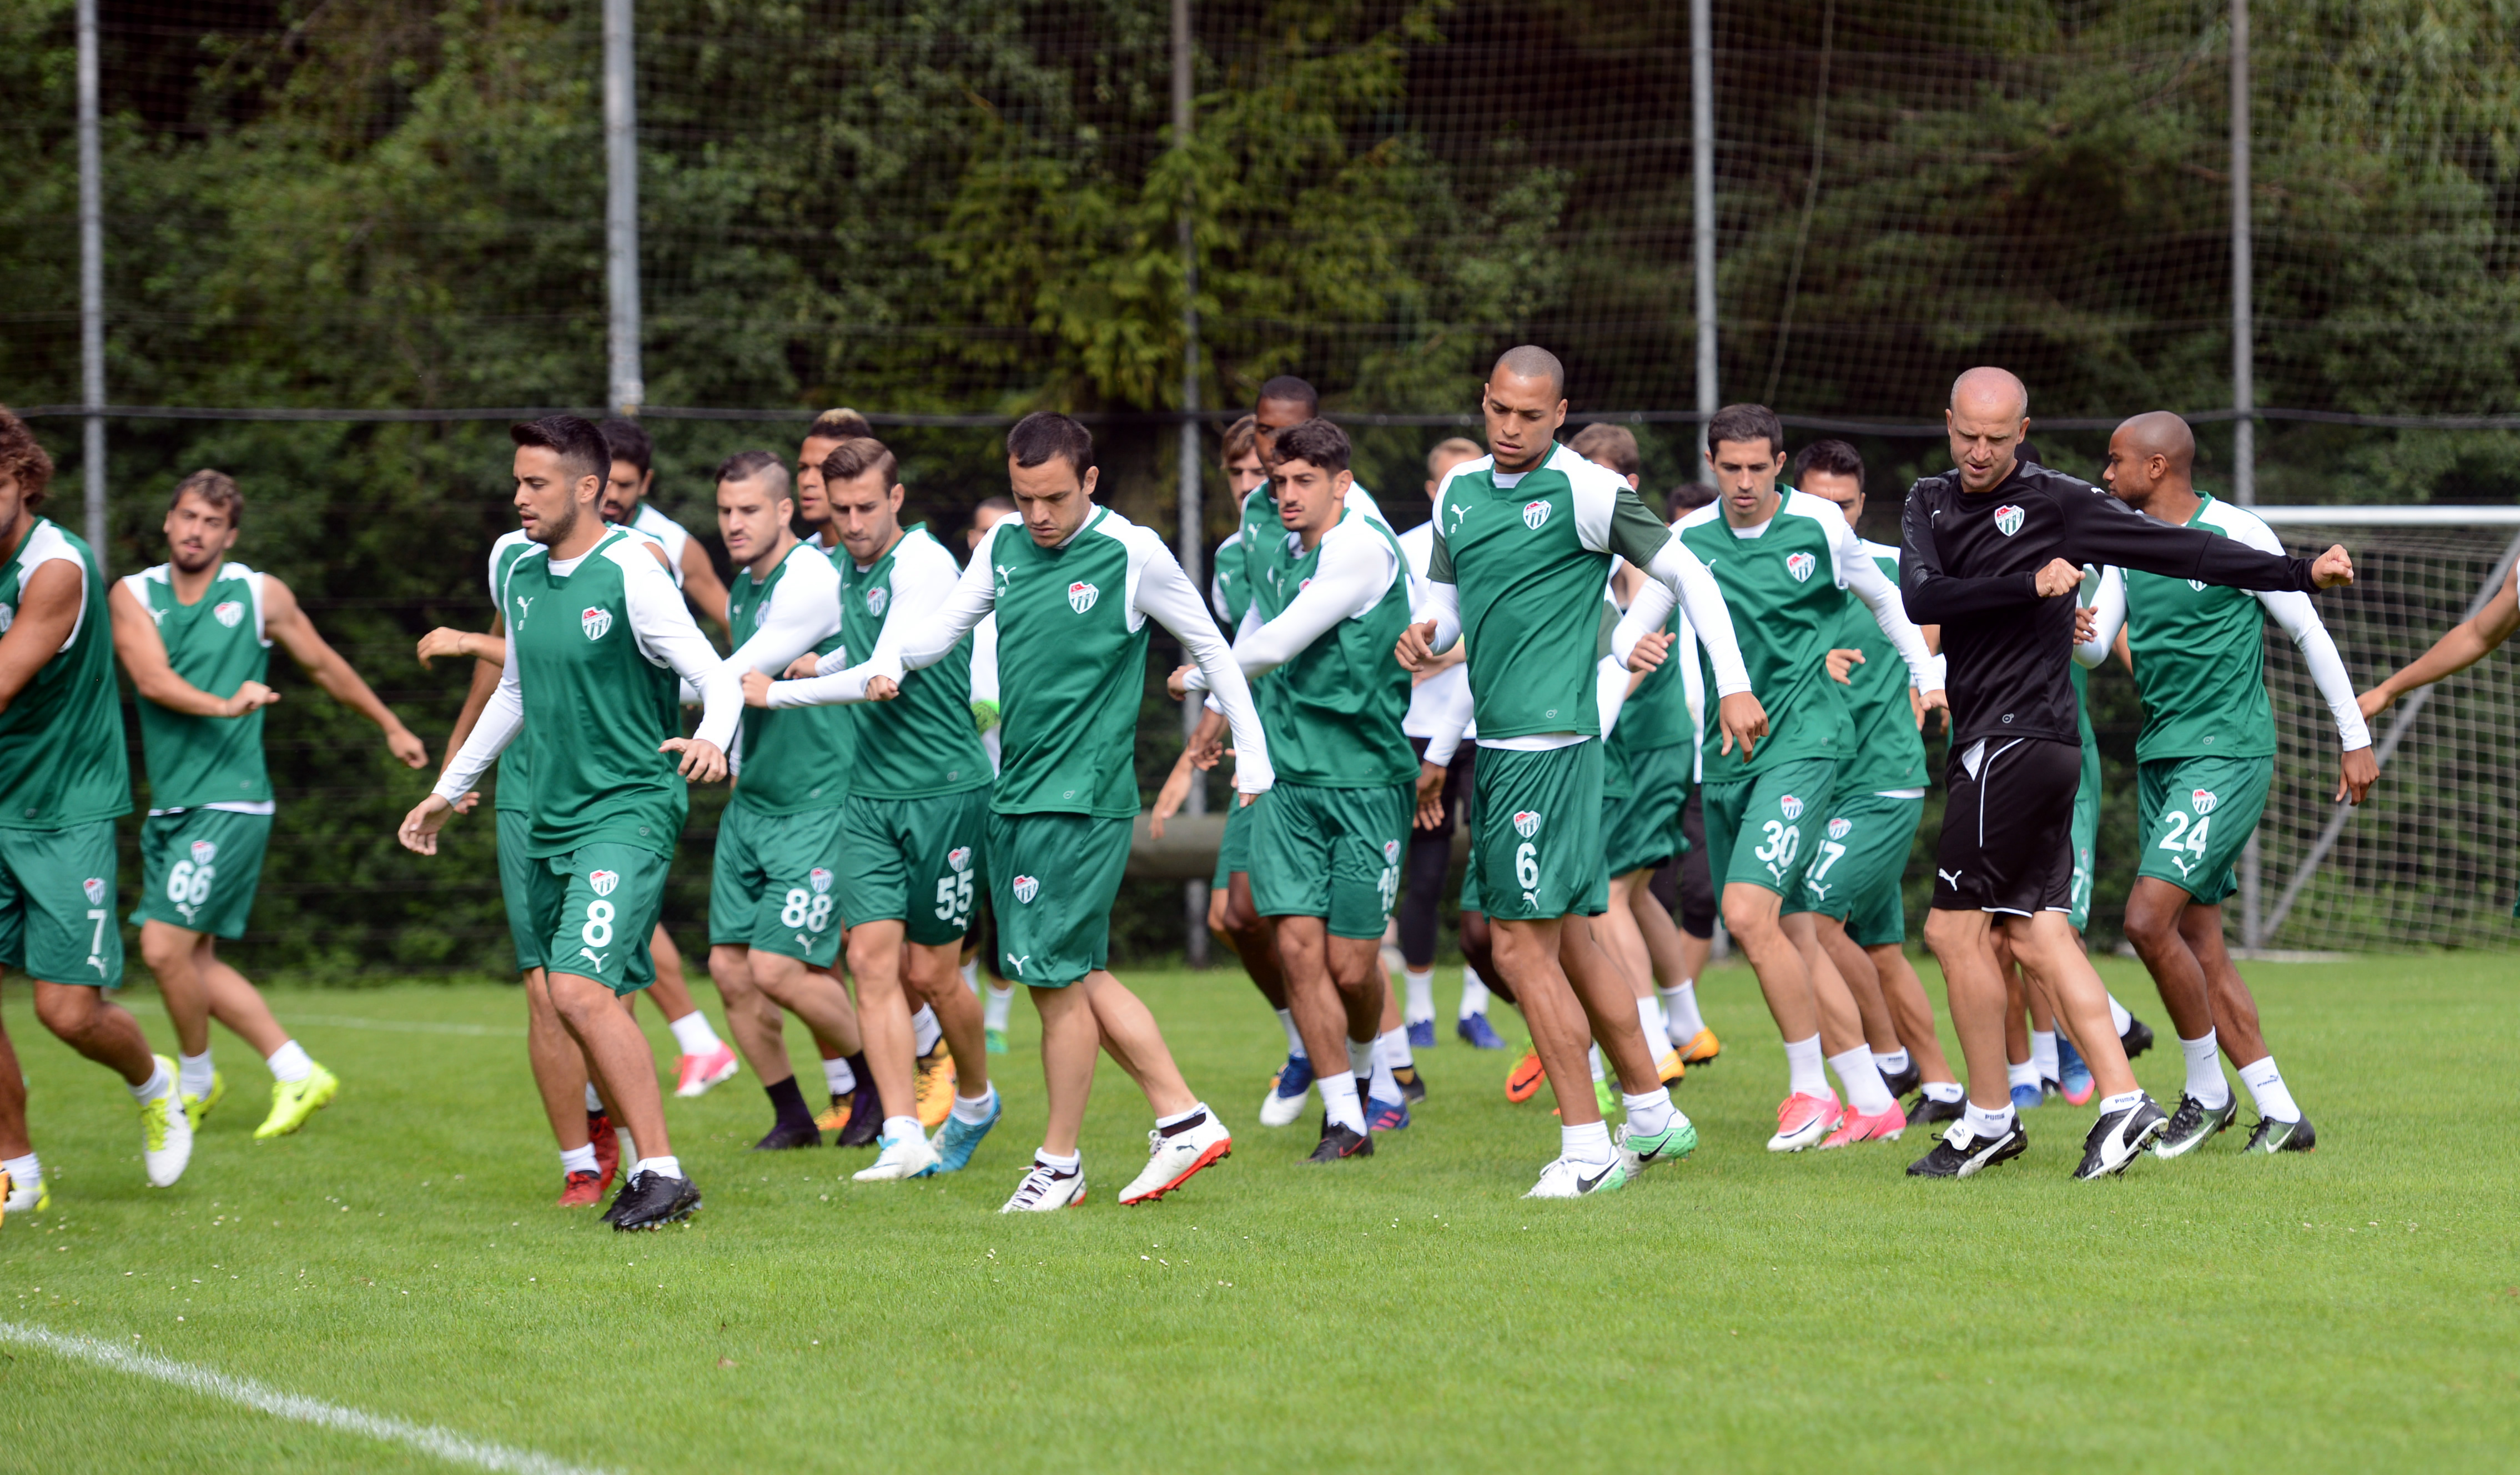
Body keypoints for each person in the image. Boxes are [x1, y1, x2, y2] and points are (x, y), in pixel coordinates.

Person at [1898, 368, 2353, 1180]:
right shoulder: (1927, 501)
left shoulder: (2060, 503)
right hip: (2033, 741)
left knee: (1952, 931)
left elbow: (2187, 550)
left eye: (1996, 438)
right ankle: (2124, 1101)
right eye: (1966, 435)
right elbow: (1920, 597)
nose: (1978, 451)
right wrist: (2033, 590)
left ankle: (1989, 1118)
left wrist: (2296, 571)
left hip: (2019, 740)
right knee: (2038, 930)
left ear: (2023, 431)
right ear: (1947, 423)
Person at [835, 412, 1253, 1212]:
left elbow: (1213, 649)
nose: (1037, 515)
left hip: (1080, 803)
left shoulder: (1130, 550)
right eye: (1024, 498)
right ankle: (1181, 1118)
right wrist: (883, 659)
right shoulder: (1002, 546)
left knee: (1057, 984)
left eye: (1054, 498)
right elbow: (939, 635)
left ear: (1089, 482)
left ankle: (1061, 1163)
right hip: (1018, 795)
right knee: (1074, 975)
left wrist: (1254, 757)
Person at [1400, 347, 1758, 1198]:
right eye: (1498, 410)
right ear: (1483, 402)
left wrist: (1734, 684)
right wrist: (1426, 633)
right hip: (1499, 747)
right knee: (1569, 939)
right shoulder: (1459, 492)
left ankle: (1585, 1149)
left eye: (1530, 415)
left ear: (1559, 414)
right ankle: (1649, 1114)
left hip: (1552, 748)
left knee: (1517, 950)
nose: (1510, 427)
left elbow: (1688, 574)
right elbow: (1445, 606)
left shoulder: (1586, 490)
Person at [401, 415, 741, 1231]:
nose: (519, 497)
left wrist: (712, 739)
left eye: (536, 483)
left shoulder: (632, 571)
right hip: (552, 815)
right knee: (581, 994)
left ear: (587, 489)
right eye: (517, 482)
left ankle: (661, 1171)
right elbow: (516, 690)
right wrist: (450, 789)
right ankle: (642, 1167)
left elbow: (718, 677)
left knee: (578, 990)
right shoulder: (519, 570)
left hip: (628, 808)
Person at [1613, 405, 1943, 1153]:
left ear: (1779, 464)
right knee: (1792, 927)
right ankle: (1872, 1100)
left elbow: (1885, 600)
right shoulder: (1687, 540)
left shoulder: (1819, 526)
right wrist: (1630, 646)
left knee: (1745, 912)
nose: (1744, 482)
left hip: (1806, 741)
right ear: (1711, 464)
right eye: (1730, 468)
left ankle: (1809, 1091)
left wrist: (1925, 676)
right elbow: (1638, 620)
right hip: (1727, 755)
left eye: (1757, 468)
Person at [2079, 411, 2373, 1155]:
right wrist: (2066, 620)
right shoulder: (2124, 544)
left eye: (2115, 461)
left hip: (2226, 755)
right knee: (2197, 940)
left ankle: (2207, 1092)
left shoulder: (2237, 533)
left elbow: (2306, 629)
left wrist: (2354, 738)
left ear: (2155, 467)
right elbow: (2093, 649)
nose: (2105, 475)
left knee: (2146, 922)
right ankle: (2280, 1113)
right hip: (2161, 756)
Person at [111, 469, 429, 1142]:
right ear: (168, 520)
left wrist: (390, 724)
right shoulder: (133, 594)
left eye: (212, 523)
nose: (196, 532)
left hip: (231, 799)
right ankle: (295, 1070)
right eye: (187, 516)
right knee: (194, 961)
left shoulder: (259, 594)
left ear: (230, 535)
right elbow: (151, 680)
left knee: (162, 949)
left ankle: (196, 1080)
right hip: (173, 803)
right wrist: (226, 703)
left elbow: (323, 664)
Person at [751, 435, 1001, 1181]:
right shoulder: (845, 569)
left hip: (945, 793)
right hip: (868, 795)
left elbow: (882, 669)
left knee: (934, 975)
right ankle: (901, 1133)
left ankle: (977, 1098)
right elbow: (861, 649)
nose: (854, 523)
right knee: (867, 961)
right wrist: (819, 661)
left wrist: (780, 692)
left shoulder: (924, 563)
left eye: (866, 507)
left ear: (896, 498)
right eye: (842, 509)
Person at [1168, 419, 1416, 1161]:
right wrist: (1219, 710)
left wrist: (1200, 675)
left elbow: (1278, 642)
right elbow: (1257, 620)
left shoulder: (1362, 549)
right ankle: (1343, 1119)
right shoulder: (1276, 549)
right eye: (1278, 481)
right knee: (1298, 949)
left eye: (1303, 481)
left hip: (1365, 779)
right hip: (1285, 780)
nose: (1285, 494)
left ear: (1342, 484)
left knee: (1351, 966)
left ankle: (1371, 1076)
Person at [0, 408, 192, 1211]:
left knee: (66, 1012)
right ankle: (16, 1172)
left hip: (61, 805)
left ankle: (153, 1082)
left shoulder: (55, 568)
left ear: (23, 478)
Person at [689, 451, 878, 1157]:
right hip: (755, 801)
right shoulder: (746, 586)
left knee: (777, 969)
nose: (733, 524)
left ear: (784, 511)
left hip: (817, 802)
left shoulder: (810, 581)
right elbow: (733, 686)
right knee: (730, 970)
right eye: (724, 511)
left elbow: (727, 677)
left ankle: (877, 1087)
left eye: (748, 510)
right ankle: (792, 1116)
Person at [1783, 440, 1966, 1130]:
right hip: (1812, 783)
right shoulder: (1780, 575)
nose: (1832, 517)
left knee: (1812, 920)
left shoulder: (1891, 570)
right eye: (1817, 504)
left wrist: (1928, 673)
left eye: (1845, 505)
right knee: (1882, 949)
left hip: (1879, 783)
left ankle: (1885, 1063)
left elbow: (1942, 618)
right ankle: (1941, 1083)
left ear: (1862, 506)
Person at [1568, 423, 1695, 1090]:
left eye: (1597, 474)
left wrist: (1586, 729)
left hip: (1647, 745)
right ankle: (1687, 1025)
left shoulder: (1649, 551)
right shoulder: (1594, 549)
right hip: (1628, 746)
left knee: (1610, 891)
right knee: (1637, 890)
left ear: (1630, 482)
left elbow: (1639, 662)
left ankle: (1651, 1044)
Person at [1392, 437, 1502, 1050]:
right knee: (1426, 875)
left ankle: (1475, 1009)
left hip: (1490, 732)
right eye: (1450, 479)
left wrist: (1452, 653)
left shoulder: (1504, 539)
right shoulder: (1404, 551)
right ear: (1433, 490)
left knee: (1492, 872)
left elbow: (1496, 634)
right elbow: (1404, 644)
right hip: (1420, 733)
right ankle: (1418, 1014)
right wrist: (1428, 652)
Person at [963, 496, 1020, 1054]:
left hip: (1017, 785)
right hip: (960, 783)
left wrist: (1004, 712)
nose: (989, 541)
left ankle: (997, 1022)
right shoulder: (955, 606)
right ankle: (962, 1009)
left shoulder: (1029, 599)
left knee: (1004, 910)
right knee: (959, 908)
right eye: (983, 531)